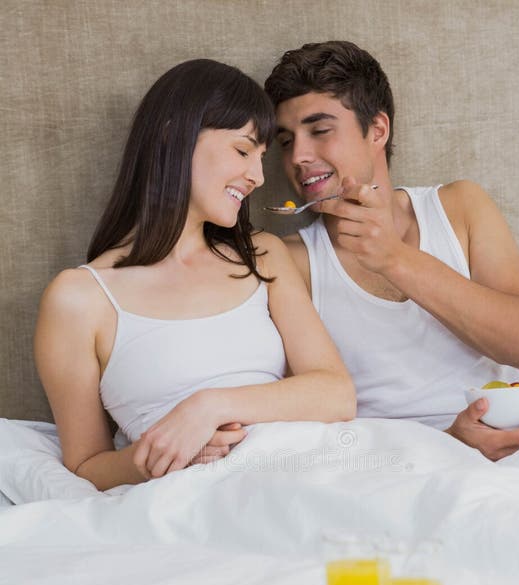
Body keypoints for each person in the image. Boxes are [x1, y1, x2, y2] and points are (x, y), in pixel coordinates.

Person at [35, 59, 355, 491]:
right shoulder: (79, 299)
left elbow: (336, 393)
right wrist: (162, 458)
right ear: (173, 137)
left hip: (311, 471)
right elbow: (86, 465)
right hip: (193, 501)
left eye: (261, 158)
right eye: (243, 151)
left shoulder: (262, 257)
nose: (257, 177)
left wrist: (207, 407)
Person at [264, 41, 519, 461]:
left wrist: (394, 258)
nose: (299, 156)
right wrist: (447, 442)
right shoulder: (292, 261)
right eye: (285, 140)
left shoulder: (459, 207)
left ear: (378, 130)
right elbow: (310, 421)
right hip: (391, 468)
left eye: (320, 129)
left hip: (510, 446)